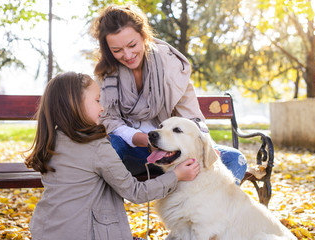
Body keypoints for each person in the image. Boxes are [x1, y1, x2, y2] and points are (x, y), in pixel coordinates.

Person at [24, 72, 199, 240]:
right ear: (74, 104)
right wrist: (176, 175)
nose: (102, 108)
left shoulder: (50, 142)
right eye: (97, 100)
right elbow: (135, 192)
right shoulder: (96, 146)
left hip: (45, 231)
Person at [90, 4, 247, 185]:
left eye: (132, 45)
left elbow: (191, 117)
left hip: (175, 152)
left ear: (143, 35)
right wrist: (144, 140)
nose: (127, 55)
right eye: (117, 50)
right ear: (108, 49)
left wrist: (206, 145)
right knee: (109, 149)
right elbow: (109, 121)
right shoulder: (105, 75)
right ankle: (105, 213)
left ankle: (207, 212)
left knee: (235, 159)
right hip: (135, 152)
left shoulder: (171, 66)